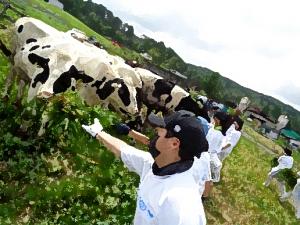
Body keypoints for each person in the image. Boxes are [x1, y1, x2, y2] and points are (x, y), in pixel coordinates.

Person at [82, 110, 209, 224]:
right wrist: (98, 132)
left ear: (174, 143)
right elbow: (123, 150)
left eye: (160, 131)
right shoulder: (155, 166)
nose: (155, 134)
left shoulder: (179, 205)